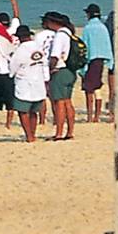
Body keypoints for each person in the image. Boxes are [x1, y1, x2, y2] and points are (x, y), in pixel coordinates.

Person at [6, 25, 49, 143]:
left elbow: (12, 69)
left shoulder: (20, 50)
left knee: (23, 111)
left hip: (25, 82)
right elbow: (44, 63)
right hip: (39, 82)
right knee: (33, 111)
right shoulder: (38, 47)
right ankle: (32, 134)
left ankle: (29, 135)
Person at [41, 12, 79, 141]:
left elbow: (55, 56)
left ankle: (59, 133)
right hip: (70, 71)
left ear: (52, 22)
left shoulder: (59, 36)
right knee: (67, 102)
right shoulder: (69, 33)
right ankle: (69, 132)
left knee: (59, 103)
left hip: (60, 71)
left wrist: (50, 69)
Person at [81, 3, 115, 124]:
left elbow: (84, 46)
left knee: (89, 90)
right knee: (98, 88)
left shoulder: (88, 28)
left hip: (91, 60)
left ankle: (91, 116)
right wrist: (110, 61)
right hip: (103, 60)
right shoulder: (103, 27)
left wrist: (82, 66)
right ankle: (98, 114)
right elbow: (107, 45)